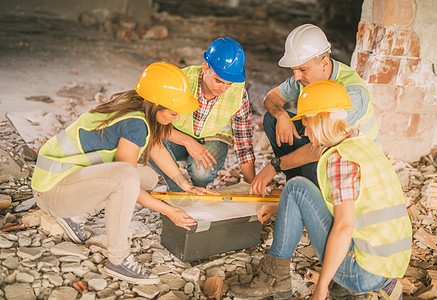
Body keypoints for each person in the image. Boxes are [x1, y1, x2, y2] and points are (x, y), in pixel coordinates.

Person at [31, 62, 218, 284]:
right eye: (173, 112)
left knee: (147, 177)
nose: (176, 118)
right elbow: (125, 179)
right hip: (52, 189)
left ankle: (73, 217)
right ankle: (118, 260)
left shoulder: (136, 102)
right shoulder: (136, 124)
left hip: (63, 178)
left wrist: (184, 184)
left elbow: (155, 145)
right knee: (127, 177)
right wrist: (169, 211)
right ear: (156, 105)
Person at [231, 80, 412, 300]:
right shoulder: (363, 145)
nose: (305, 132)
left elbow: (344, 227)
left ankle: (275, 278)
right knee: (297, 191)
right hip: (389, 266)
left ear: (320, 120)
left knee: (296, 187)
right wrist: (282, 208)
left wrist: (321, 287)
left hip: (363, 273)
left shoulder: (340, 160)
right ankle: (367, 289)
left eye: (306, 123)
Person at [250, 24, 380, 196]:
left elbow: (324, 148)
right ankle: (295, 184)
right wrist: (281, 115)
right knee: (272, 120)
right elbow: (271, 98)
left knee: (314, 167)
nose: (296, 77)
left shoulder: (352, 93)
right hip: (321, 144)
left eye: (302, 69)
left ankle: (306, 193)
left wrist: (274, 166)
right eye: (294, 70)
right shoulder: (306, 78)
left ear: (324, 63)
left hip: (352, 161)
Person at [149, 37, 255, 191]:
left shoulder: (239, 94)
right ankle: (176, 188)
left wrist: (251, 185)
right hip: (175, 135)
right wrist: (187, 141)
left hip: (212, 139)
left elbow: (243, 142)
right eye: (218, 81)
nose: (224, 89)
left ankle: (199, 188)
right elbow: (151, 124)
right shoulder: (181, 81)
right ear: (206, 68)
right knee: (150, 142)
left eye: (229, 83)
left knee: (201, 173)